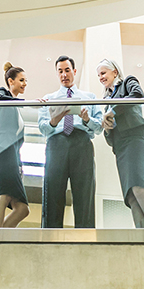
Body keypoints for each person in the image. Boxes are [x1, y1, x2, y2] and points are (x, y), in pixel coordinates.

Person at [37, 55, 102, 228]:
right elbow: (42, 128)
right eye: (60, 71)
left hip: (82, 143)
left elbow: (99, 128)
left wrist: (87, 119)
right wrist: (54, 120)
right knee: (52, 192)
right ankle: (49, 237)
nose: (64, 74)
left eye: (67, 70)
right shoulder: (48, 99)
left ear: (74, 71)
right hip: (56, 144)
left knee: (85, 193)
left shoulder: (89, 97)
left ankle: (85, 237)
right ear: (57, 74)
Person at [96, 58, 144, 228]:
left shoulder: (127, 82)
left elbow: (137, 96)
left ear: (114, 72)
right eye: (98, 75)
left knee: (140, 188)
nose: (100, 77)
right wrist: (107, 128)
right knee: (131, 196)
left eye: (103, 73)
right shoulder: (106, 100)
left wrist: (113, 112)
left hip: (136, 139)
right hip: (121, 147)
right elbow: (110, 139)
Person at [0, 63, 30, 228]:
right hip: (0, 151)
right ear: (11, 81)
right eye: (21, 80)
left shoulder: (16, 108)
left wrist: (19, 165)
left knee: (22, 208)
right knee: (2, 195)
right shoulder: (2, 93)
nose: (25, 84)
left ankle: (0, 236)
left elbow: (16, 143)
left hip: (11, 156)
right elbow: (0, 99)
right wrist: (24, 102)